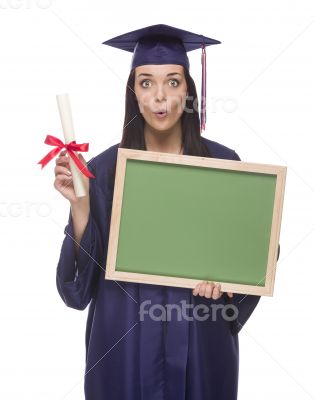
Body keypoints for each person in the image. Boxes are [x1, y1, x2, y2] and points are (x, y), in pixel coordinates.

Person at [54, 24, 268, 400]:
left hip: (200, 344)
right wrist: (81, 206)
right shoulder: (103, 170)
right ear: (133, 93)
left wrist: (227, 288)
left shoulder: (224, 164)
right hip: (122, 346)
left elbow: (254, 257)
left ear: (189, 90)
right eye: (146, 83)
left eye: (172, 82)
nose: (160, 98)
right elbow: (77, 293)